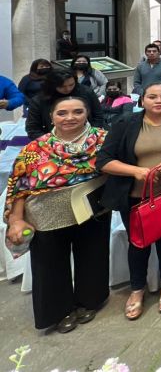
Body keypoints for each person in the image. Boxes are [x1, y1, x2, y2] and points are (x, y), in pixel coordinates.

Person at [4, 97, 110, 332]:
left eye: (77, 112)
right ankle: (57, 312)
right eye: (62, 113)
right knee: (49, 264)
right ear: (51, 116)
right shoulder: (35, 148)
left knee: (94, 255)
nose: (70, 117)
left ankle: (90, 301)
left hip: (92, 207)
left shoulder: (104, 139)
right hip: (47, 213)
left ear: (87, 113)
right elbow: (19, 186)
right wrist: (16, 219)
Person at [97, 82, 161, 319]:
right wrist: (135, 171)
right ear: (143, 100)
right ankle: (137, 289)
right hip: (134, 196)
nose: (158, 101)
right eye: (152, 97)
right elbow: (104, 160)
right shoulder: (125, 123)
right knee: (138, 244)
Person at [27, 69, 104, 139]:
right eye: (62, 86)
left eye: (71, 85)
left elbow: (98, 116)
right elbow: (33, 128)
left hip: (87, 136)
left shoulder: (86, 92)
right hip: (51, 140)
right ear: (52, 85)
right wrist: (51, 141)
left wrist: (91, 136)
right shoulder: (39, 100)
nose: (68, 89)